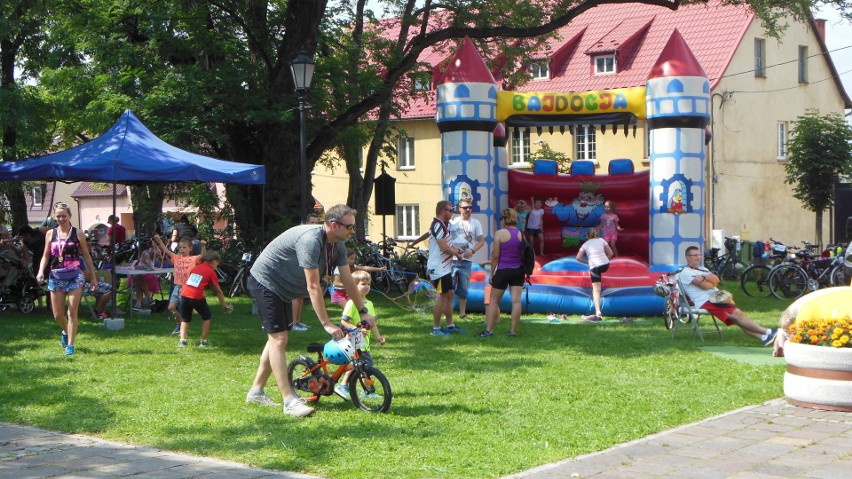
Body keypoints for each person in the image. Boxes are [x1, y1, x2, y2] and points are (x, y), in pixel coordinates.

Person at [244, 204, 376, 417]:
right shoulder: (310, 240)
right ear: (334, 225)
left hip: (284, 289)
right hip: (267, 283)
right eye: (350, 227)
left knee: (275, 339)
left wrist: (362, 310)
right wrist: (326, 323)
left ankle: (256, 391)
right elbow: (313, 286)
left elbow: (348, 280)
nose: (353, 231)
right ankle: (289, 401)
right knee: (279, 339)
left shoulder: (337, 244)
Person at [678, 246, 777, 345]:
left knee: (736, 318)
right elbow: (705, 286)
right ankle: (768, 332)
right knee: (738, 315)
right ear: (687, 257)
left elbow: (716, 279)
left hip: (717, 298)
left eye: (699, 255)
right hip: (707, 301)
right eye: (694, 255)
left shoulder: (702, 269)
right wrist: (709, 280)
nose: (698, 257)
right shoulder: (686, 272)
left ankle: (764, 337)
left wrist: (704, 277)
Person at [36, 202, 98, 356]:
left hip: (75, 276)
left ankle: (70, 345)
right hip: (56, 275)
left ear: (70, 216)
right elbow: (45, 255)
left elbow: (87, 256)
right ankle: (66, 331)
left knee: (72, 311)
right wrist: (40, 272)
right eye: (58, 216)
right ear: (54, 217)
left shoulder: (78, 234)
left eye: (64, 215)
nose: (61, 219)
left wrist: (94, 277)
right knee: (57, 314)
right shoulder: (50, 234)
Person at [333, 270, 386, 400]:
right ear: (354, 286)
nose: (367, 286)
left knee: (358, 365)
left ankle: (343, 385)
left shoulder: (370, 304)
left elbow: (372, 323)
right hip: (354, 340)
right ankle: (368, 390)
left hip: (364, 341)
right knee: (365, 366)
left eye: (368, 284)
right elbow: (343, 321)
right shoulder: (351, 303)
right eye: (363, 284)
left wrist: (378, 337)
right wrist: (355, 330)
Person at [479, 208, 525, 337]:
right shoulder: (521, 233)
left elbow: (495, 256)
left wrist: (492, 273)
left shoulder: (499, 233)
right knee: (516, 301)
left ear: (504, 219)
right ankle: (513, 331)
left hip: (503, 270)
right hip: (518, 271)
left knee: (493, 300)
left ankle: (489, 330)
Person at [426, 200, 466, 336]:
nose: (452, 213)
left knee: (450, 295)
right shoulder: (437, 224)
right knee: (441, 298)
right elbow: (443, 247)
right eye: (450, 210)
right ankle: (436, 329)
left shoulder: (443, 225)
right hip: (438, 268)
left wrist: (455, 249)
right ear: (443, 211)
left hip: (445, 268)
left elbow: (447, 244)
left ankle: (450, 325)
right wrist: (457, 254)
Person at [177, 250, 232, 348]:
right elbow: (218, 291)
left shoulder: (196, 268)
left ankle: (182, 341)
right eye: (217, 264)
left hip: (184, 295)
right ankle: (203, 341)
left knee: (185, 318)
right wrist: (223, 305)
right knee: (207, 317)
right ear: (215, 261)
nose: (217, 266)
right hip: (196, 297)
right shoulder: (211, 272)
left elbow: (192, 284)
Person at [153, 235, 204, 334]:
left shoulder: (193, 259)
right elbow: (166, 250)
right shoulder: (176, 258)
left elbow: (203, 256)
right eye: (180, 247)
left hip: (187, 288)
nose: (181, 249)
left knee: (184, 310)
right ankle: (180, 325)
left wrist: (203, 246)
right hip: (177, 286)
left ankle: (182, 329)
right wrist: (159, 240)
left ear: (190, 248)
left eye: (184, 247)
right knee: (171, 307)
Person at [449, 199, 485, 319]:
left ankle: (462, 314)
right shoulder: (452, 222)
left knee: (463, 288)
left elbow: (481, 241)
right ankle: (447, 313)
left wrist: (473, 250)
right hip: (452, 259)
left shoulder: (475, 223)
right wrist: (453, 249)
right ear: (459, 209)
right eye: (465, 208)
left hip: (466, 261)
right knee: (449, 288)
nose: (468, 210)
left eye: (470, 207)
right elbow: (445, 239)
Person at [291, 212, 321, 331]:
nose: (314, 225)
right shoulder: (302, 234)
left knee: (301, 296)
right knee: (296, 296)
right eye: (312, 222)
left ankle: (298, 321)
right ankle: (293, 323)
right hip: (297, 267)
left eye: (316, 222)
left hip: (304, 267)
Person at [576, 227, 613, 322]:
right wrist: (605, 259)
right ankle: (598, 312)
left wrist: (587, 262)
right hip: (605, 265)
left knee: (596, 290)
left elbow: (578, 258)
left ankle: (598, 312)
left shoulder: (585, 244)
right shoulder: (601, 240)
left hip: (595, 267)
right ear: (597, 234)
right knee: (601, 269)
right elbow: (611, 253)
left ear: (587, 235)